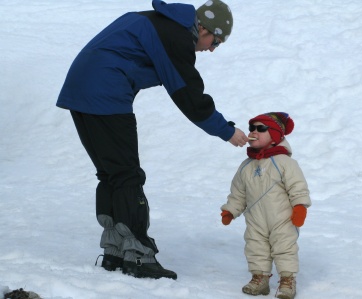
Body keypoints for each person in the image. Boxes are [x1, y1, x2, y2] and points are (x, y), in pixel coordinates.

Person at [56, 0, 248, 280]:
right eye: (215, 41)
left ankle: (116, 250)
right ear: (204, 28)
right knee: (127, 175)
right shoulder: (176, 35)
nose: (211, 49)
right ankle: (139, 255)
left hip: (80, 89)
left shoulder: (159, 22)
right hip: (106, 91)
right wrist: (226, 131)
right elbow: (187, 94)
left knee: (112, 173)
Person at [220, 112, 311, 299]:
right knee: (255, 246)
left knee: (285, 247)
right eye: (252, 128)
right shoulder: (246, 166)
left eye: (261, 128)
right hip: (255, 219)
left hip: (282, 219)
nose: (254, 131)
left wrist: (300, 206)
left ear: (275, 137)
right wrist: (230, 210)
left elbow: (297, 186)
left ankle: (287, 280)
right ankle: (259, 278)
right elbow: (238, 192)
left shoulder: (285, 163)